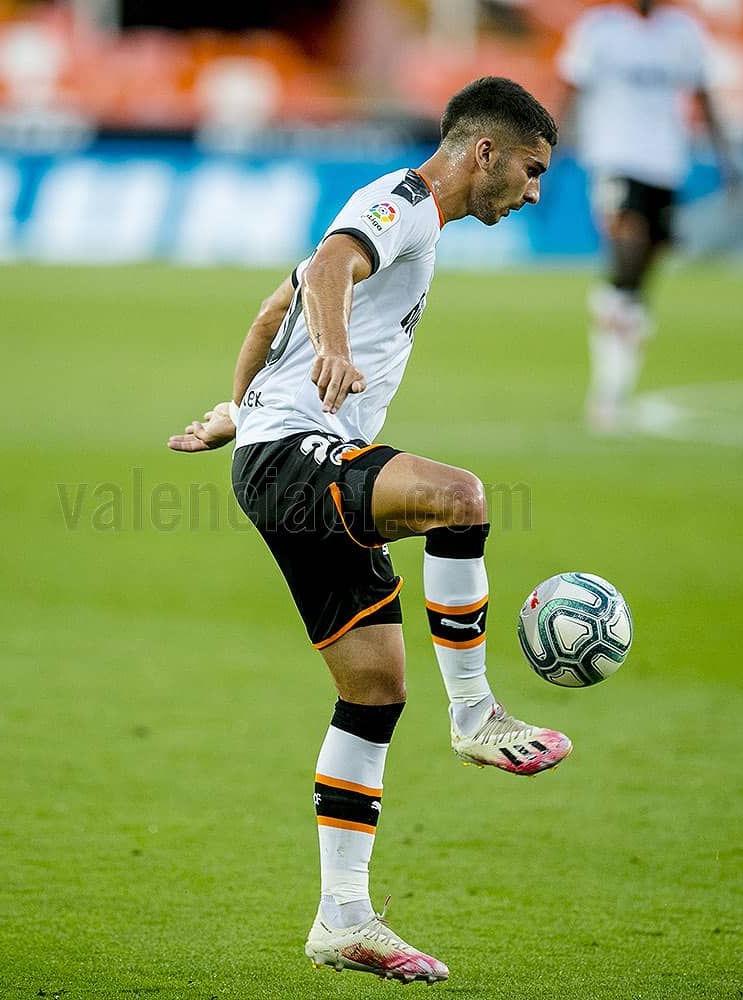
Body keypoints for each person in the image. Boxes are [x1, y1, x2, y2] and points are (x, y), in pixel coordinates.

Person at [166, 77, 569, 984]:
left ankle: (342, 918)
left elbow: (281, 303)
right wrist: (331, 357)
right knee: (460, 498)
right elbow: (330, 266)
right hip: (297, 457)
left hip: (280, 451)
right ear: (485, 154)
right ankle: (476, 716)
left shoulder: (412, 220)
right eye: (532, 171)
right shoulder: (408, 205)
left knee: (376, 688)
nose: (536, 191)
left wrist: (240, 407)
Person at [554, 0, 739, 431]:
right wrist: (549, 151)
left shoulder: (684, 32)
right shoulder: (599, 30)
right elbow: (570, 89)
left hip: (664, 166)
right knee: (628, 252)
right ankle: (605, 387)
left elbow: (704, 95)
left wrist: (727, 159)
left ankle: (613, 387)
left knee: (639, 286)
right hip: (614, 160)